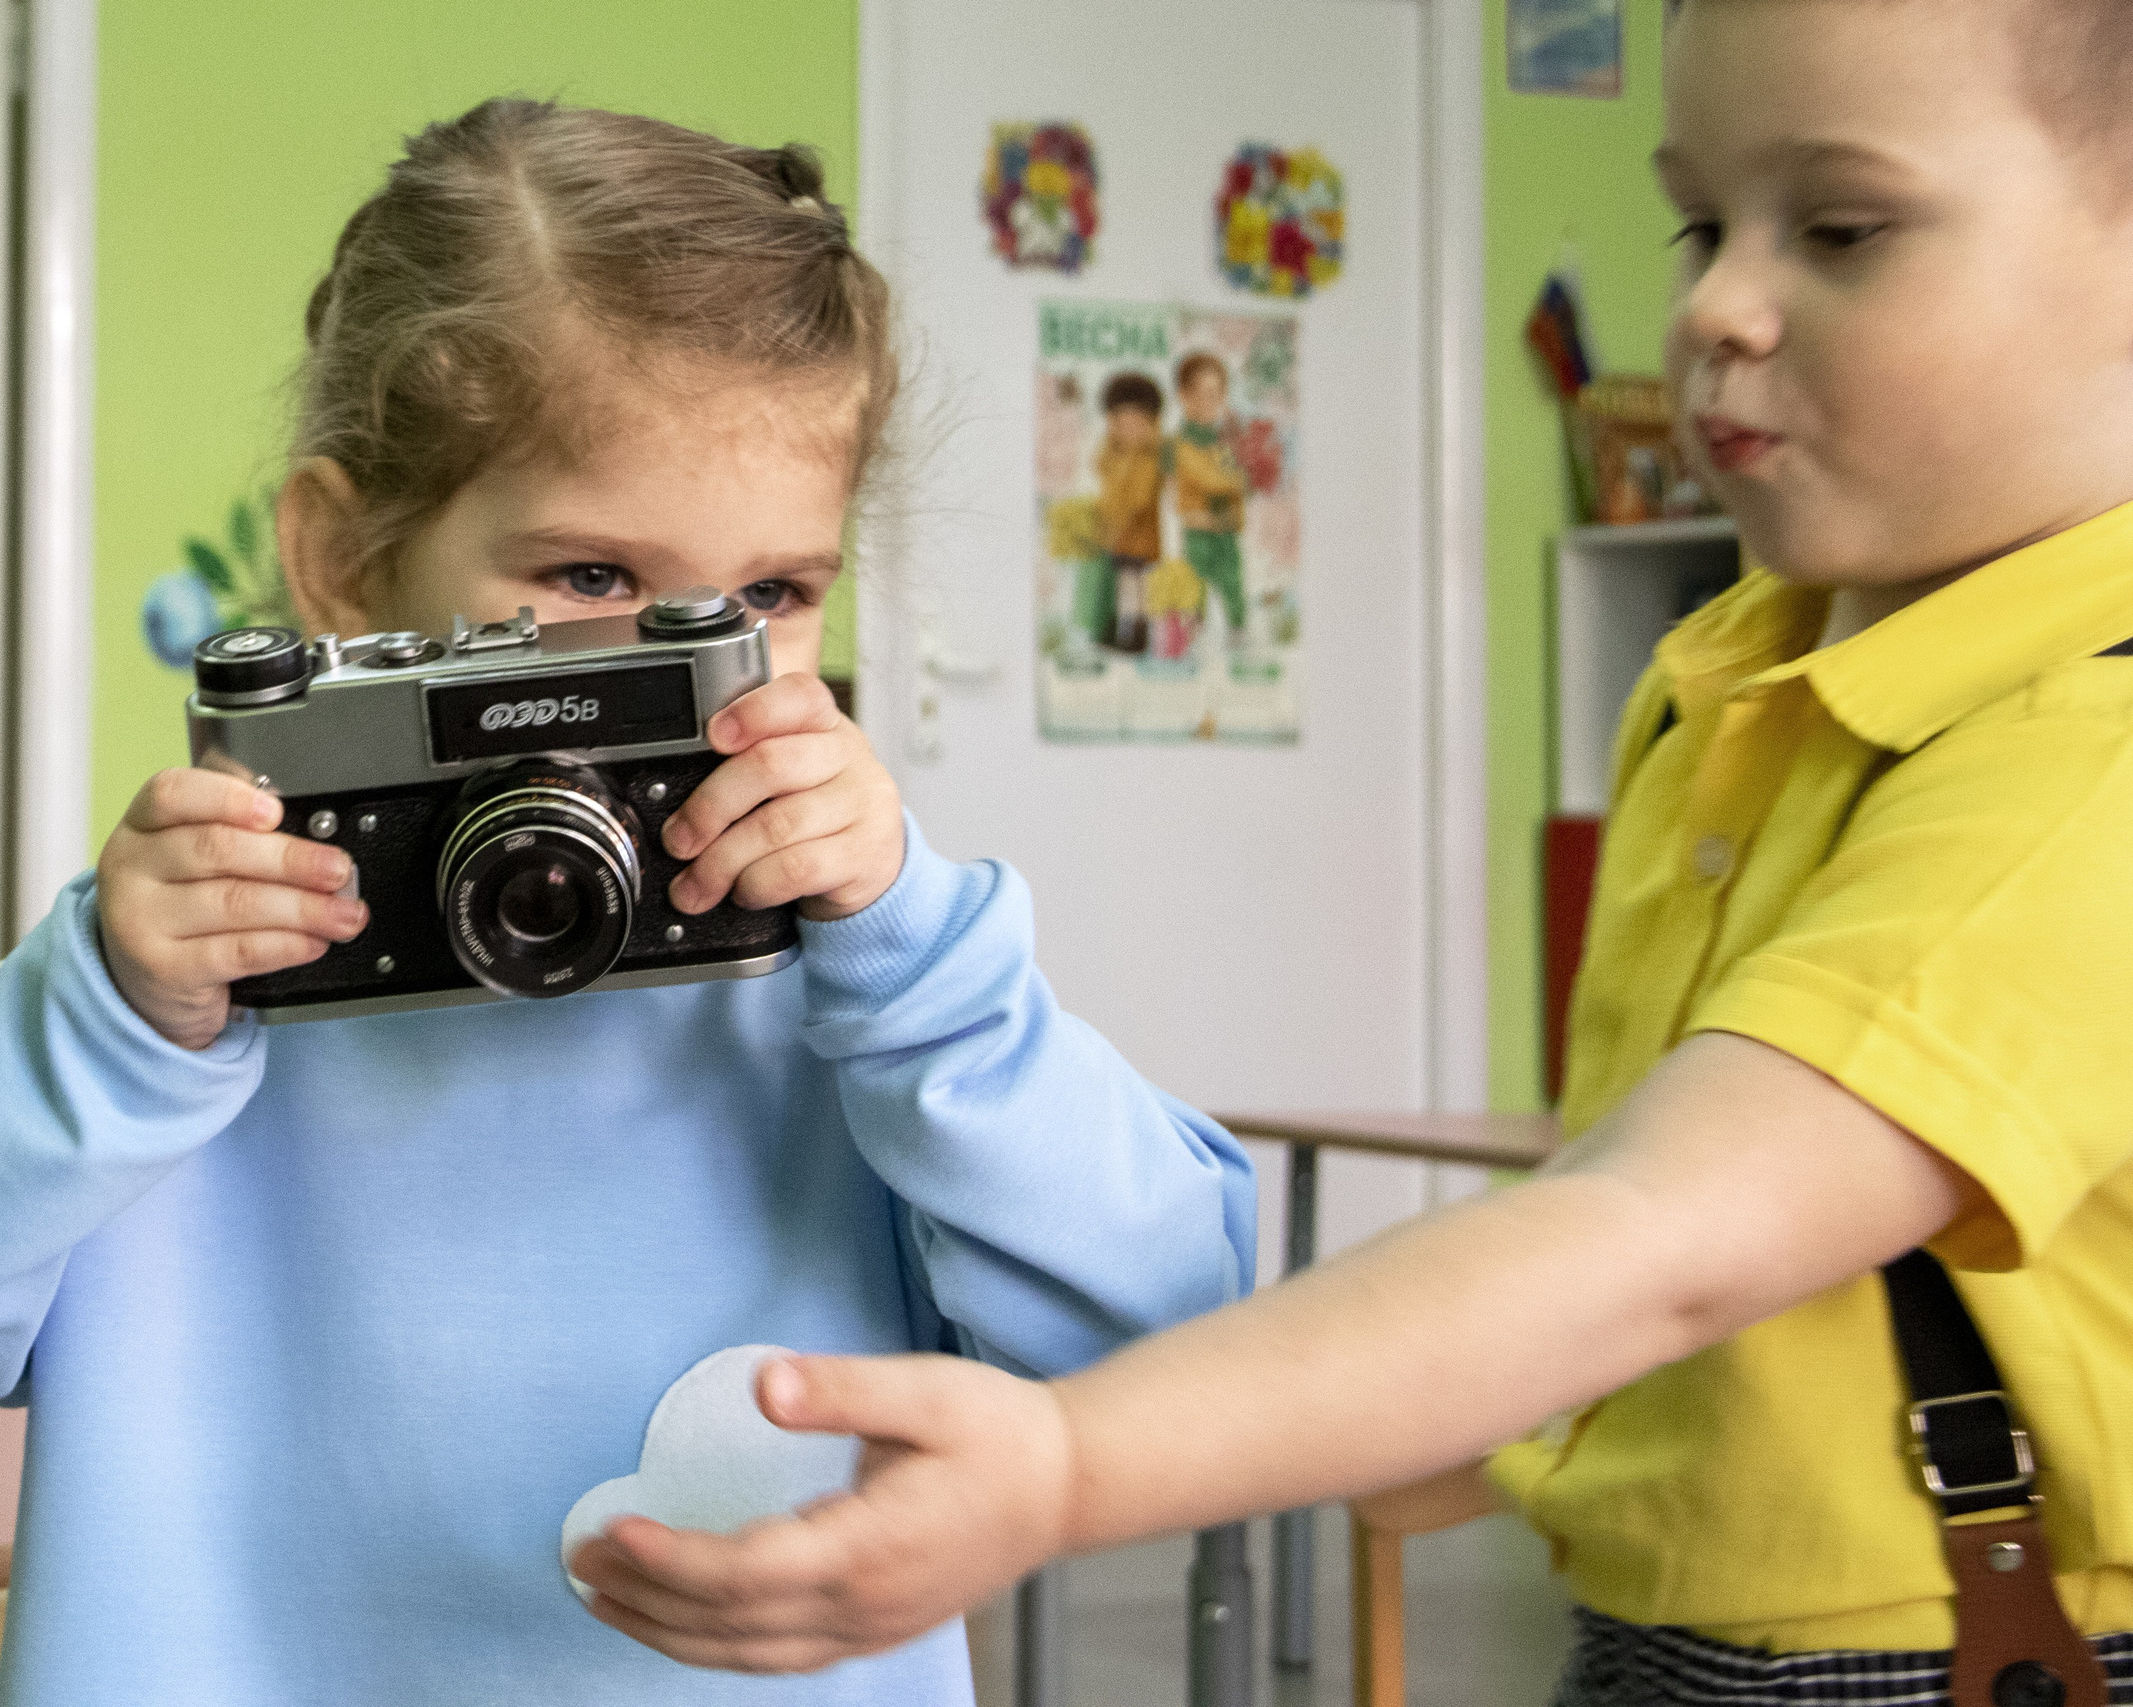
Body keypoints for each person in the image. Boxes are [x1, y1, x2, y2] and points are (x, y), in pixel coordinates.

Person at [569, 4, 2133, 1700]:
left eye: (1840, 229)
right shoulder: (1749, 666)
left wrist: (1076, 1461)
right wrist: (1484, 1405)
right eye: (1703, 222)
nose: (1714, 305)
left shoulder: (2082, 761)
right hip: (1691, 1621)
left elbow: (1665, 1233)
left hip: (1951, 1653)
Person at [0, 101, 1255, 1707]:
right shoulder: (166, 994)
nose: (681, 663)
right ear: (340, 559)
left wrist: (919, 965)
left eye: (772, 596)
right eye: (590, 577)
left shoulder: (871, 999)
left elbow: (1167, 1343)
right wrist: (97, 1022)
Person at [1168, 352, 1248, 642]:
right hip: (1198, 531)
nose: (1207, 402)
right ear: (1183, 396)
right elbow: (1214, 480)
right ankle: (1190, 639)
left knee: (1234, 586)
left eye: (1215, 394)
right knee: (1194, 592)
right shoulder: (1180, 443)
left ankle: (1238, 633)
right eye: (1199, 394)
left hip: (1226, 531)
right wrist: (1239, 473)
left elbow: (1239, 486)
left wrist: (1240, 468)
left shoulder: (1223, 441)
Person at [1092, 369, 1167, 653]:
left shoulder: (1148, 459)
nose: (1130, 430)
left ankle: (1138, 630)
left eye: (1139, 422)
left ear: (1152, 424)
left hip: (1140, 536)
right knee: (1122, 583)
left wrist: (1129, 462)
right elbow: (1100, 469)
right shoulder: (1113, 455)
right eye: (1122, 423)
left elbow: (1139, 498)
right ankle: (1118, 626)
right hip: (1118, 536)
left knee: (1136, 584)